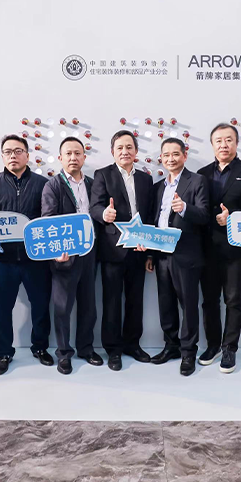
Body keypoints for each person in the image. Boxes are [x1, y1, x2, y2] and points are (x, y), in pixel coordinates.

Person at [0, 134, 53, 375]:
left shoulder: (43, 184)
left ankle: (40, 347)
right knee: (2, 309)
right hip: (3, 260)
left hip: (36, 259)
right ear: (2, 157)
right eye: (8, 152)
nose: (13, 155)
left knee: (40, 306)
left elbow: (49, 218)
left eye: (18, 151)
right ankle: (4, 352)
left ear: (27, 155)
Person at [197, 123, 241, 373]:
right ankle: (213, 345)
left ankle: (229, 348)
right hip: (206, 247)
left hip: (234, 248)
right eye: (219, 141)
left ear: (236, 143)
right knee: (209, 300)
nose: (223, 145)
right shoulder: (201, 173)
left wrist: (231, 217)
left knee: (233, 299)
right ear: (212, 144)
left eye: (228, 140)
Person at [89, 130, 154, 371]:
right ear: (112, 152)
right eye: (120, 148)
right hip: (113, 250)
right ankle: (113, 349)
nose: (125, 151)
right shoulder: (102, 174)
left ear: (136, 151)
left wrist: (150, 251)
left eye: (129, 147)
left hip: (139, 248)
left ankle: (132, 345)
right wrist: (104, 214)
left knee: (136, 301)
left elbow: (149, 214)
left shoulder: (146, 179)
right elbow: (95, 206)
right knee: (112, 302)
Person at [146, 137, 210, 376]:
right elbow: (154, 220)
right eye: (166, 155)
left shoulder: (197, 181)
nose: (170, 159)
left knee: (188, 305)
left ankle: (188, 352)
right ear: (161, 158)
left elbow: (204, 215)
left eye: (175, 154)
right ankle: (171, 346)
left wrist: (184, 208)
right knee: (166, 303)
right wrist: (150, 253)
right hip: (161, 253)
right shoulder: (158, 187)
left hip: (186, 253)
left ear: (185, 155)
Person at [41, 136, 102, 375]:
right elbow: (48, 220)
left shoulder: (93, 183)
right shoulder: (53, 185)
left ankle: (86, 349)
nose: (73, 157)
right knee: (62, 307)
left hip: (90, 252)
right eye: (68, 153)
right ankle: (64, 354)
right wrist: (56, 252)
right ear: (60, 158)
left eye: (77, 153)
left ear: (84, 157)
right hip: (65, 254)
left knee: (89, 305)